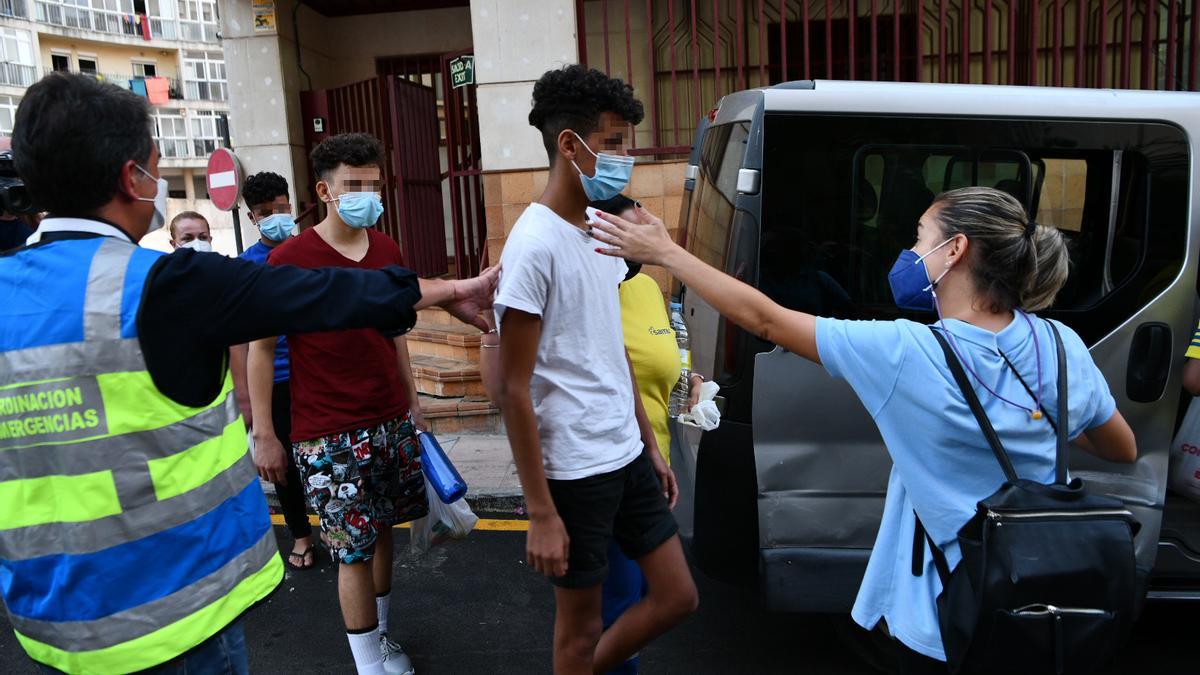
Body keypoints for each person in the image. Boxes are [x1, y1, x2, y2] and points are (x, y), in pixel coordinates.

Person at [0, 72, 496, 675]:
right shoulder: (166, 283)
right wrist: (452, 291)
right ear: (133, 177)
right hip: (175, 621)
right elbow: (319, 294)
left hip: (52, 629)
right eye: (157, 165)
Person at [591, 186, 1138, 674]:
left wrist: (667, 253)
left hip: (942, 618)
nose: (909, 251)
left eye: (920, 237)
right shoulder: (1060, 345)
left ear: (956, 251)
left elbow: (765, 319)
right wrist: (1031, 419)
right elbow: (1121, 446)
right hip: (1039, 600)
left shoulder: (906, 352)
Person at [492, 65, 698, 675]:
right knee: (578, 634)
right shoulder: (533, 245)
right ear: (569, 145)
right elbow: (512, 387)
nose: (624, 159)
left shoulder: (599, 230)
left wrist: (648, 447)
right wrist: (540, 511)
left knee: (677, 597)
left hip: (626, 454)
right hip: (574, 471)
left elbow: (611, 353)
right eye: (612, 145)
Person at [249, 132, 428, 675]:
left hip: (389, 420)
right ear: (325, 191)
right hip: (326, 432)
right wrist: (264, 431)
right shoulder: (289, 258)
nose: (366, 196)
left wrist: (412, 401)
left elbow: (395, 335)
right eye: (354, 185)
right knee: (350, 550)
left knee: (384, 535)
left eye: (373, 185)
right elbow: (260, 348)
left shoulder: (388, 249)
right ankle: (368, 665)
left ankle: (383, 638)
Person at [226, 170, 316, 571]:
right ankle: (301, 534)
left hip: (315, 375)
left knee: (320, 457)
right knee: (283, 466)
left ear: (292, 208)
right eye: (266, 212)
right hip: (275, 383)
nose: (276, 217)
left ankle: (332, 524)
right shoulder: (246, 268)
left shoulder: (311, 253)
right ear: (251, 218)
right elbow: (240, 341)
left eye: (282, 209)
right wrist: (247, 402)